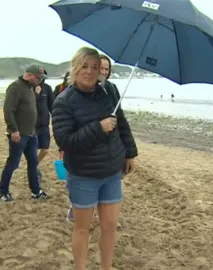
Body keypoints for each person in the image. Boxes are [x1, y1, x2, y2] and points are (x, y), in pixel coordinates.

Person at [52, 47, 138, 270]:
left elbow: (122, 123)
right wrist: (98, 128)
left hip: (111, 171)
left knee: (109, 225)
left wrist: (130, 152)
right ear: (75, 67)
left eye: (95, 67)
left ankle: (106, 267)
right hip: (83, 174)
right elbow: (65, 141)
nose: (89, 72)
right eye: (84, 66)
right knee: (83, 227)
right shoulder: (64, 100)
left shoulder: (107, 92)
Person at [0, 64, 49, 202]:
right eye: (39, 78)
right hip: (18, 134)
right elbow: (8, 110)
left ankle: (36, 191)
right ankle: (3, 192)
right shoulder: (15, 87)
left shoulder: (30, 88)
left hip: (31, 134)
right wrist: (13, 129)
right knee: (13, 163)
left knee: (33, 162)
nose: (40, 81)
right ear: (30, 75)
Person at [34, 69, 55, 177]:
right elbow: (27, 106)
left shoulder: (47, 88)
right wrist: (36, 95)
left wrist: (57, 120)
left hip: (44, 125)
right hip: (32, 126)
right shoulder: (29, 88)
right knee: (33, 150)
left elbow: (52, 106)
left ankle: (34, 165)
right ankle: (34, 169)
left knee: (45, 150)